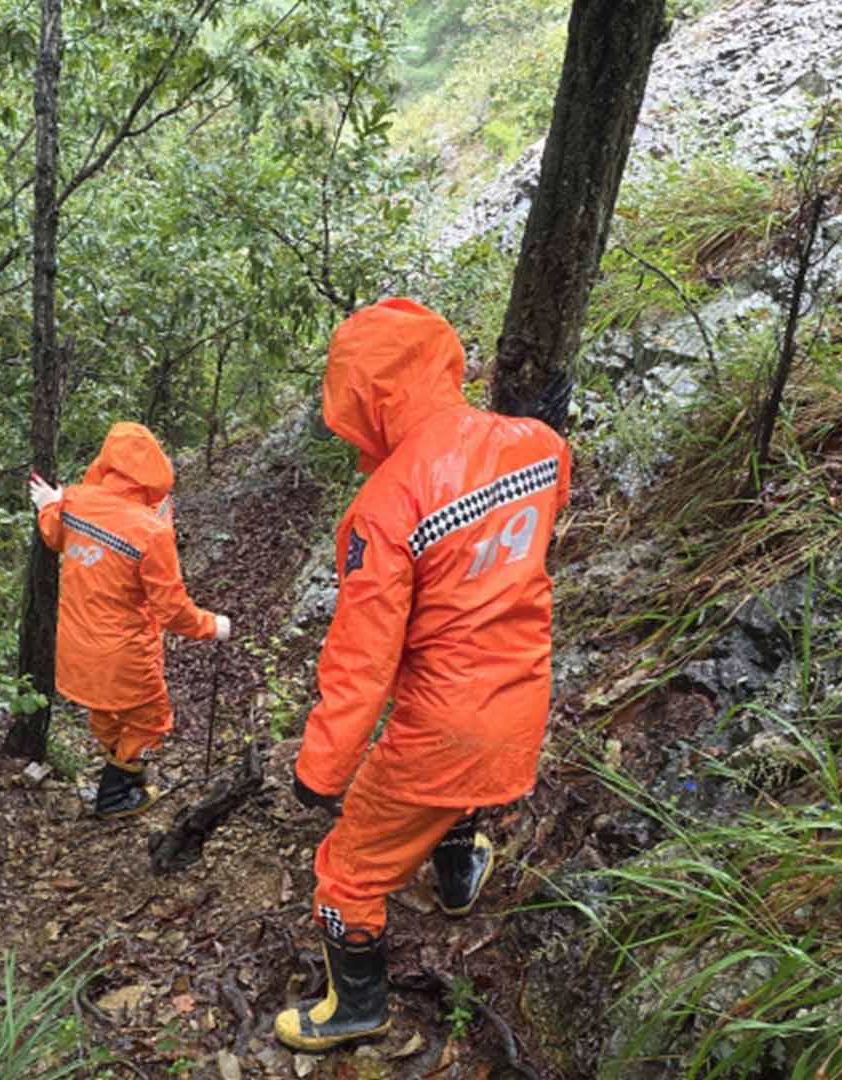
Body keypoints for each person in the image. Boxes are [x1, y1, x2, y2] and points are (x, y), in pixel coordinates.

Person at [273, 299, 572, 1051]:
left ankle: (356, 1009)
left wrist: (322, 767)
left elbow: (362, 661)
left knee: (347, 869)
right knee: (456, 797)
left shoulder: (384, 507)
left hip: (442, 726)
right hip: (522, 707)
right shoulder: (539, 446)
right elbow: (547, 499)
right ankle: (458, 878)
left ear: (364, 398)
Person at [28, 422, 232, 820]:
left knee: (105, 712)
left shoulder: (77, 501)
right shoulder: (151, 532)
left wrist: (50, 503)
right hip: (124, 655)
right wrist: (213, 626)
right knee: (151, 717)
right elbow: (172, 611)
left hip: (75, 651)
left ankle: (123, 772)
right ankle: (116, 794)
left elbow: (55, 534)